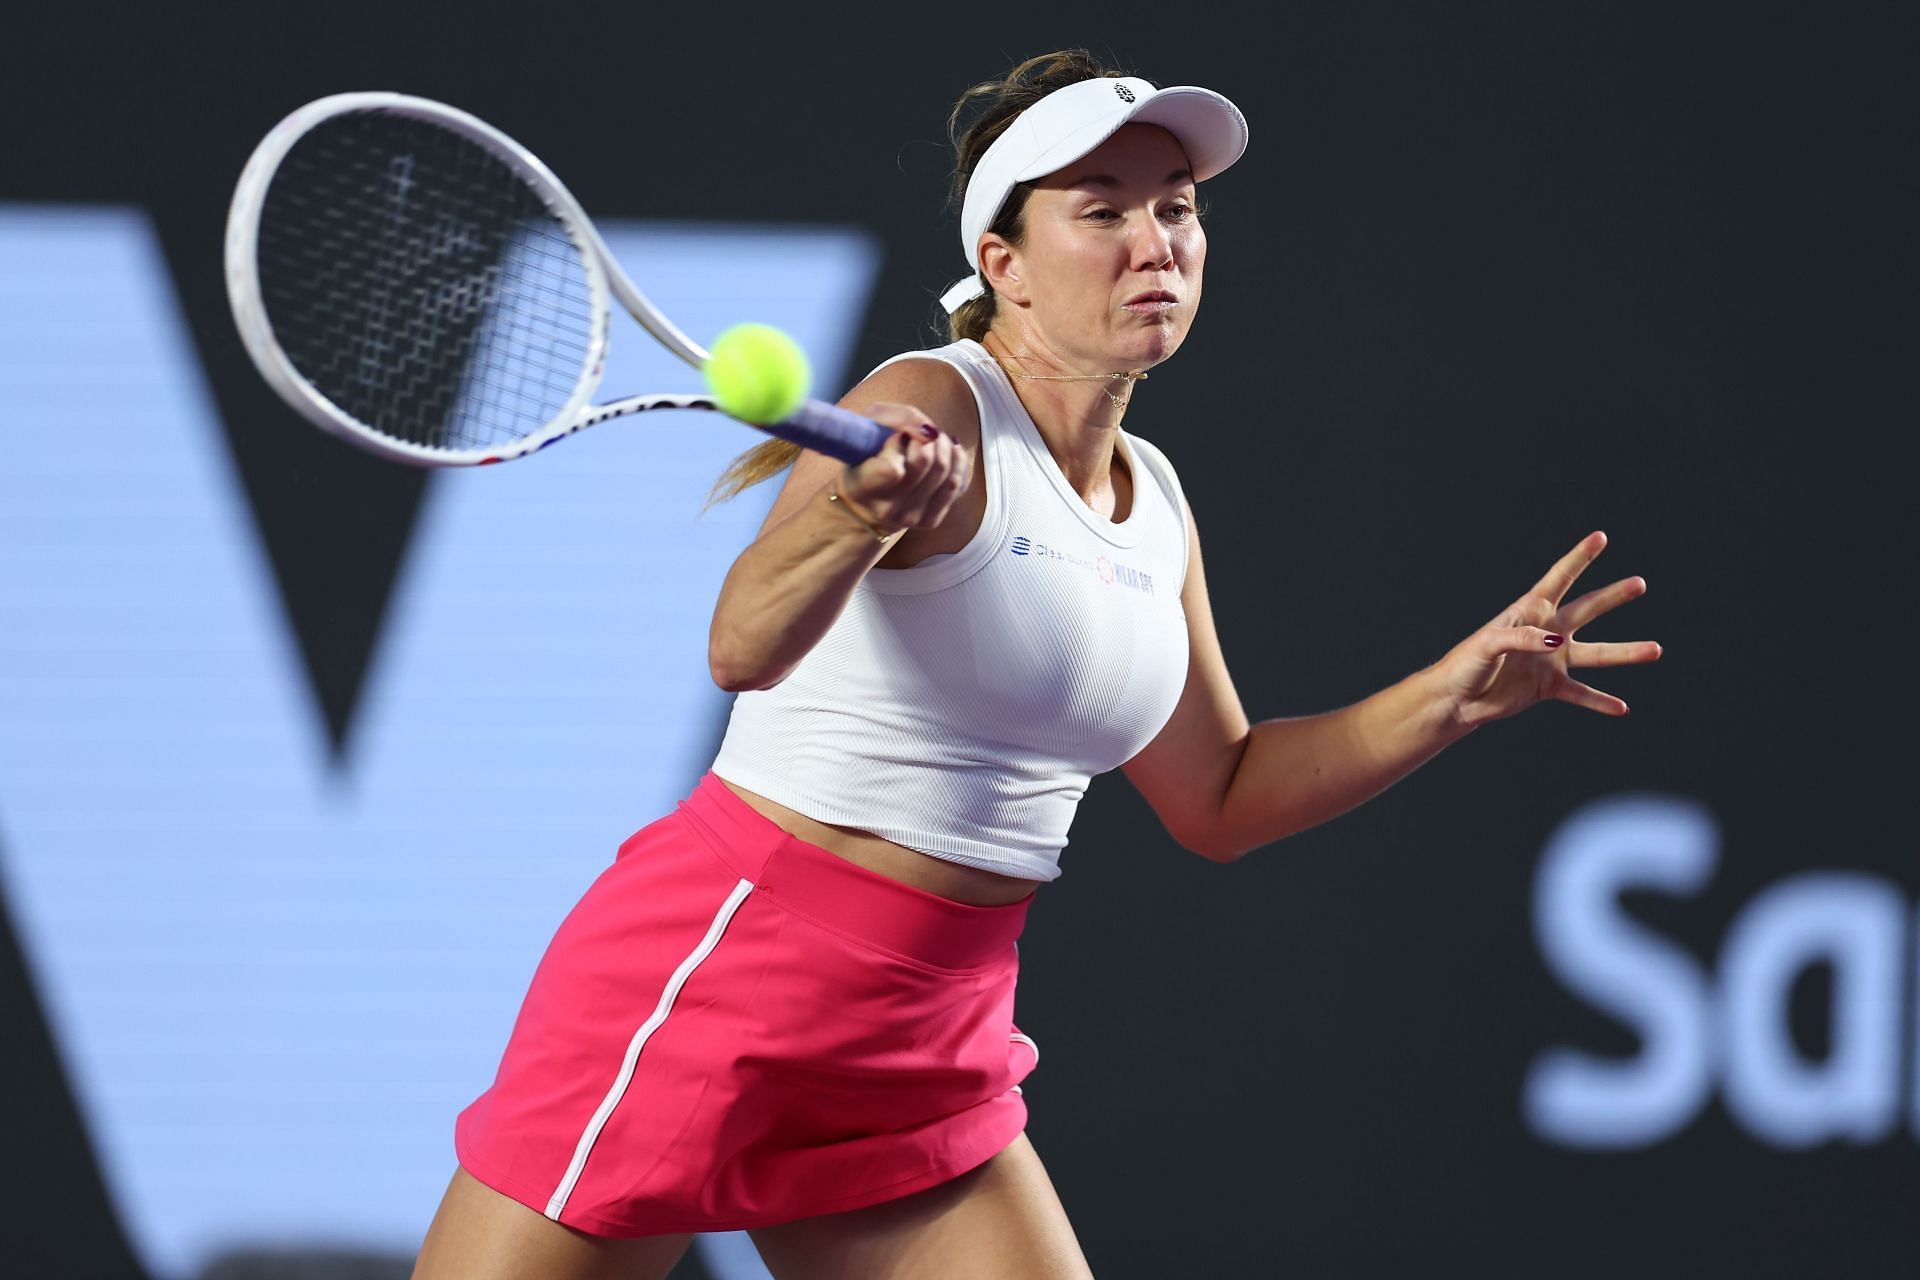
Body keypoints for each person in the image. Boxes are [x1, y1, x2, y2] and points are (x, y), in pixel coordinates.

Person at [411, 48, 1660, 1280]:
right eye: (1102, 210)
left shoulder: (1155, 503)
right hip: (731, 971)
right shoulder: (930, 399)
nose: (1155, 240)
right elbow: (741, 647)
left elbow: (1220, 795)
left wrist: (1455, 694)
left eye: (1176, 208)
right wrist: (859, 516)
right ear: (1001, 267)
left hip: (927, 1034)